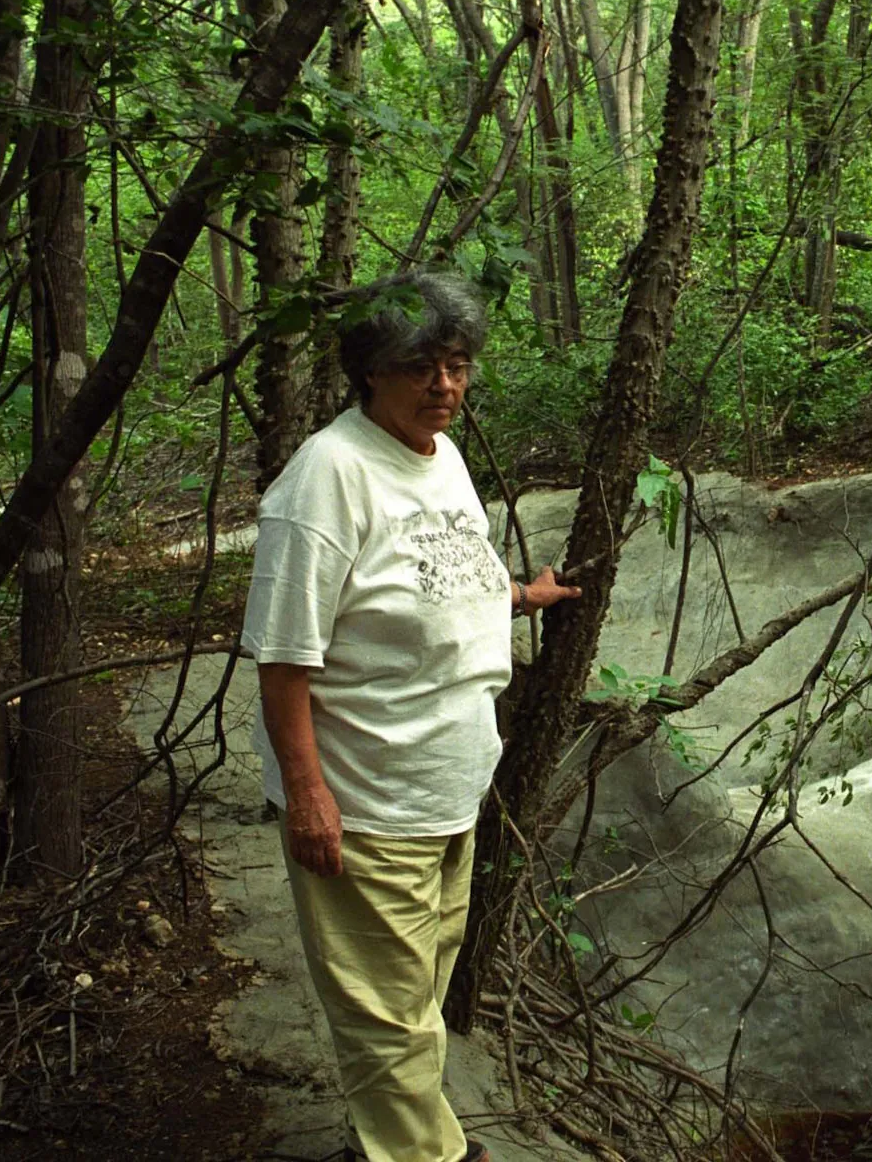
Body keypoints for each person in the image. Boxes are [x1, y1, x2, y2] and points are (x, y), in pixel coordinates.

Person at [240, 271, 579, 1162]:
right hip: (366, 801)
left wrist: (514, 595)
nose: (445, 386)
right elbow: (283, 656)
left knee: (415, 994)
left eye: (459, 366)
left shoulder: (440, 456)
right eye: (422, 366)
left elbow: (427, 579)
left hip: (447, 789)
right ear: (370, 372)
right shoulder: (325, 482)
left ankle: (376, 1145)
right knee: (390, 1025)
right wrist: (308, 792)